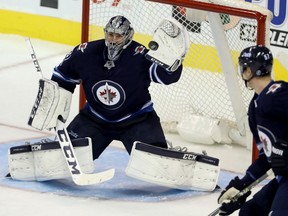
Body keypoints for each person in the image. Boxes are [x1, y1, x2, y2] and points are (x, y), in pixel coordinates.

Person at [49, 15, 184, 160]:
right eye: (110, 34)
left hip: (136, 119)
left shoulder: (140, 55)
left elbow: (166, 77)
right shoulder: (86, 52)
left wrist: (173, 63)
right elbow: (62, 77)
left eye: (118, 36)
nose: (113, 40)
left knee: (155, 162)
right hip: (95, 118)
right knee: (63, 157)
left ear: (128, 36)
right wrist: (53, 104)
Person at [217, 45, 288, 215]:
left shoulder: (277, 93)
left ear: (251, 70)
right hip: (283, 177)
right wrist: (242, 186)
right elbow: (267, 157)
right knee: (250, 211)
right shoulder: (255, 108)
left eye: (244, 66)